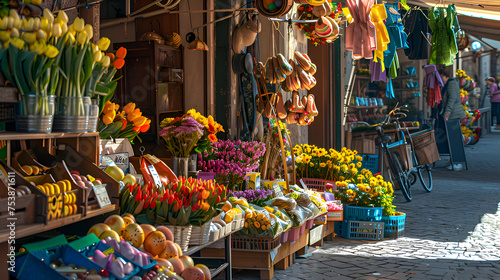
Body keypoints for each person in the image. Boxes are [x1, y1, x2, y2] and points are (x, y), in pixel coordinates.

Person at [439, 68, 466, 171]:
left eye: (441, 77)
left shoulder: (452, 83)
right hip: (451, 114)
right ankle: (452, 160)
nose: (441, 79)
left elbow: (452, 98)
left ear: (446, 76)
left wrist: (447, 112)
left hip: (453, 115)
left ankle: (457, 163)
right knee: (451, 139)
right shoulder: (448, 84)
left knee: (454, 139)